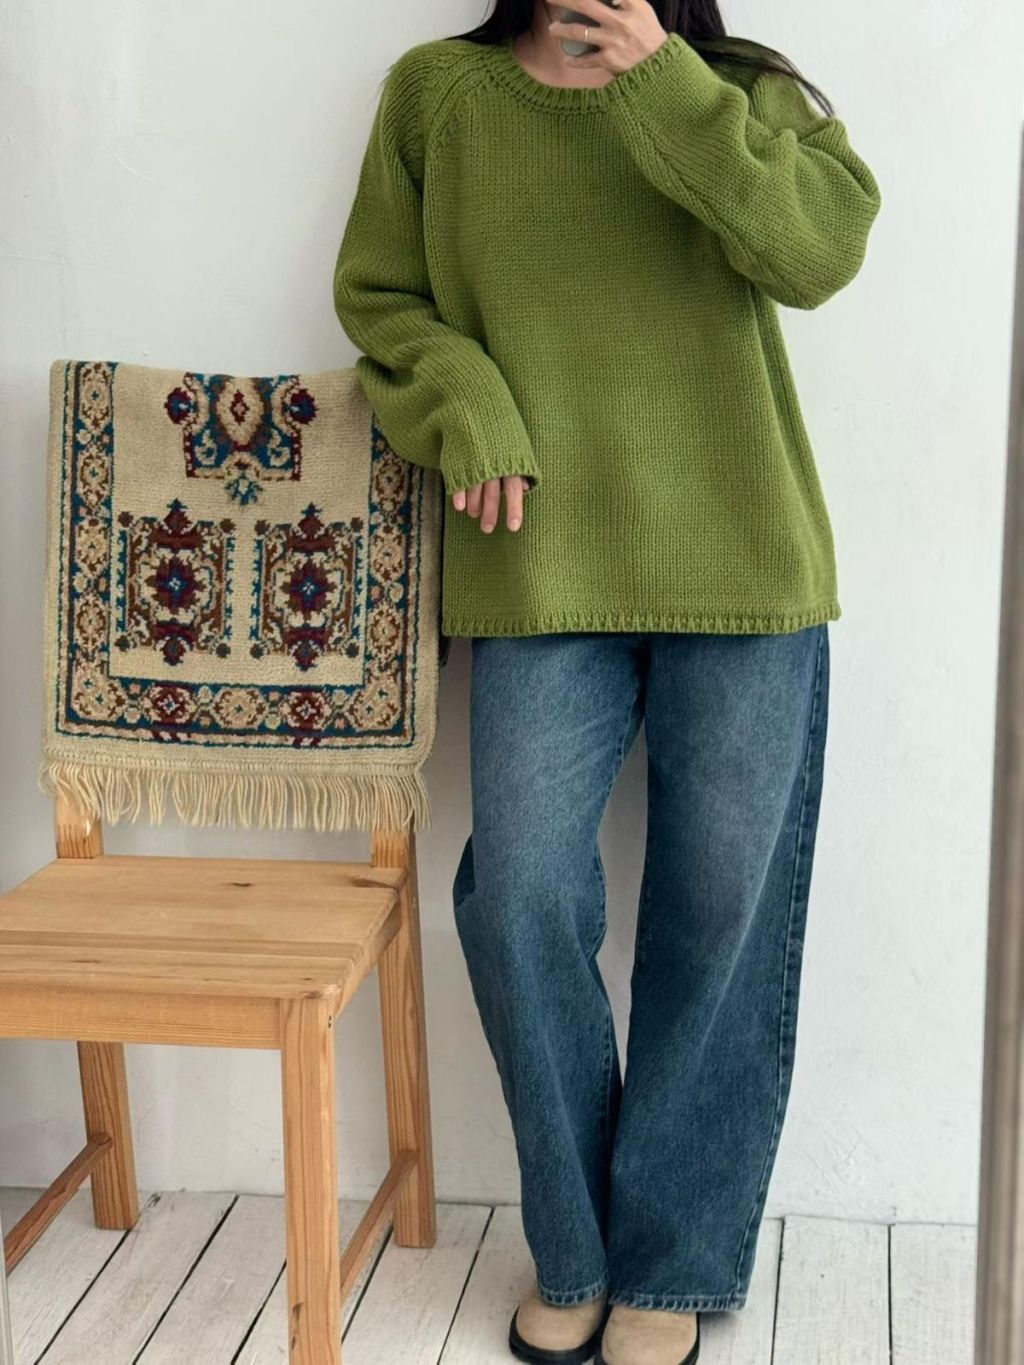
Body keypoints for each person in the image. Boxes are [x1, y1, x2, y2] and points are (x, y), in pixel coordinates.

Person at [333, 2, 881, 1362]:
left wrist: (669, 86)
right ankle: (574, 1247)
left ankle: (672, 1266)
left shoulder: (736, 90)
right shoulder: (440, 97)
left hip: (743, 570)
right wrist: (469, 405)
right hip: (540, 575)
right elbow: (381, 300)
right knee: (519, 896)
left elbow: (820, 253)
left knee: (719, 921)